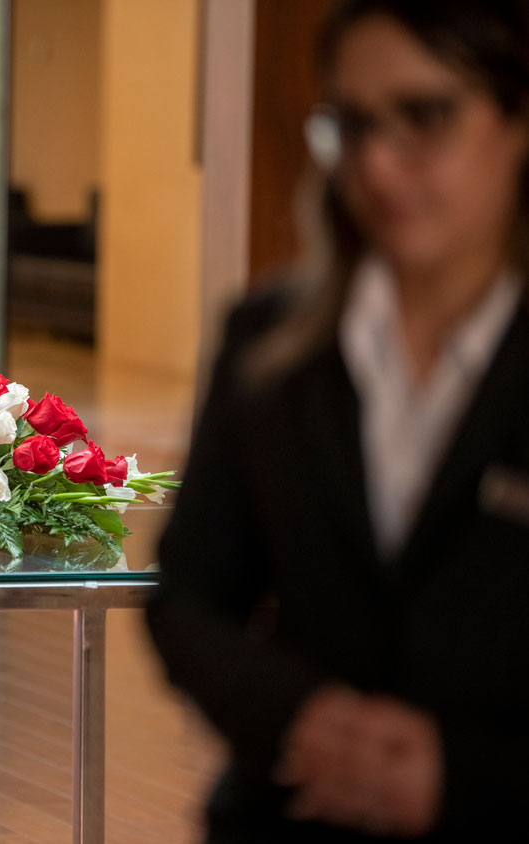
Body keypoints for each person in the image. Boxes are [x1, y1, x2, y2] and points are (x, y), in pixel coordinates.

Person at [148, 1, 529, 841]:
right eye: (351, 127)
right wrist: (301, 718)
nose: (379, 167)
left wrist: (459, 779)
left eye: (425, 117)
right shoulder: (272, 347)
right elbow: (188, 596)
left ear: (516, 120)